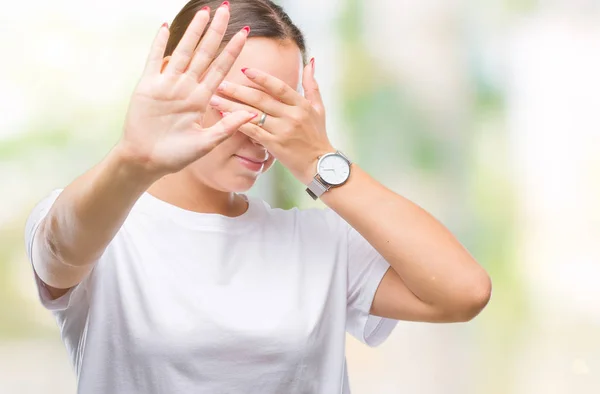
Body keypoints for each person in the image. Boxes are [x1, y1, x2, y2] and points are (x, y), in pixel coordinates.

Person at [24, 1, 492, 393]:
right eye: (244, 102)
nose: (259, 132)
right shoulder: (102, 225)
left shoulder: (318, 242)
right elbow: (57, 251)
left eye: (280, 109)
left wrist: (319, 160)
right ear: (174, 83)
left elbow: (463, 293)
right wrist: (132, 159)